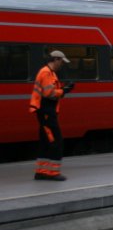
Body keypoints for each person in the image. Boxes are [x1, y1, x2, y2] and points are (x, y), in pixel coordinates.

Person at [29, 50, 75, 180]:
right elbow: (50, 93)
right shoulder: (46, 72)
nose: (62, 64)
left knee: (45, 141)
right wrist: (65, 90)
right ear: (56, 59)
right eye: (61, 61)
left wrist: (63, 90)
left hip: (46, 111)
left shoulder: (50, 72)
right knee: (56, 141)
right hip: (46, 112)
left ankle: (41, 172)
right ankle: (53, 173)